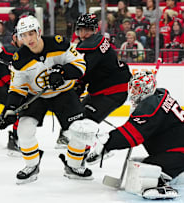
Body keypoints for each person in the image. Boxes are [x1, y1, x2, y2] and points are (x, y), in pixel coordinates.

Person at [0, 15, 95, 184]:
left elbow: (80, 65)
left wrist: (63, 73)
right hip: (36, 97)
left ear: (38, 32)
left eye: (31, 33)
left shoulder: (59, 43)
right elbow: (17, 88)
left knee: (80, 130)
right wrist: (10, 109)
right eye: (24, 35)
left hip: (64, 94)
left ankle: (73, 165)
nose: (29, 39)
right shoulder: (19, 60)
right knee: (24, 130)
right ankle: (32, 165)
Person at [86, 71, 184, 200]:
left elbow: (133, 135)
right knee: (150, 166)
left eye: (138, 88)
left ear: (147, 88)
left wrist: (108, 142)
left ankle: (161, 185)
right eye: (133, 87)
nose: (134, 92)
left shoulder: (150, 106)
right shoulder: (158, 96)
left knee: (148, 171)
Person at [55, 13, 132, 148]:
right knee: (77, 116)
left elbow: (83, 70)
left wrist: (63, 74)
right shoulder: (91, 44)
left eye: (88, 30)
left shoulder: (94, 44)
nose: (84, 33)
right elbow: (87, 72)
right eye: (81, 30)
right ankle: (71, 139)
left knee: (85, 123)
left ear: (95, 30)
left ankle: (99, 146)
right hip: (99, 91)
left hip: (112, 92)